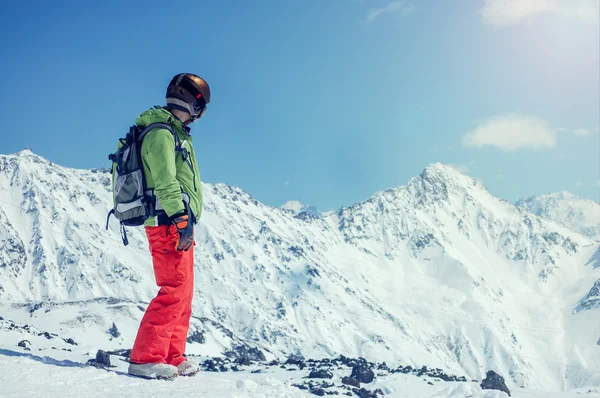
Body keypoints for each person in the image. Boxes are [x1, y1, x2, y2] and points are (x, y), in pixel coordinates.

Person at [127, 73, 209, 379]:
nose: (200, 116)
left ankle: (172, 355)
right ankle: (145, 358)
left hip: (178, 222)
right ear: (194, 102)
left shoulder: (175, 133)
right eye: (201, 108)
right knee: (173, 289)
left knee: (184, 293)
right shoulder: (161, 133)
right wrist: (180, 216)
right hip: (167, 222)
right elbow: (164, 181)